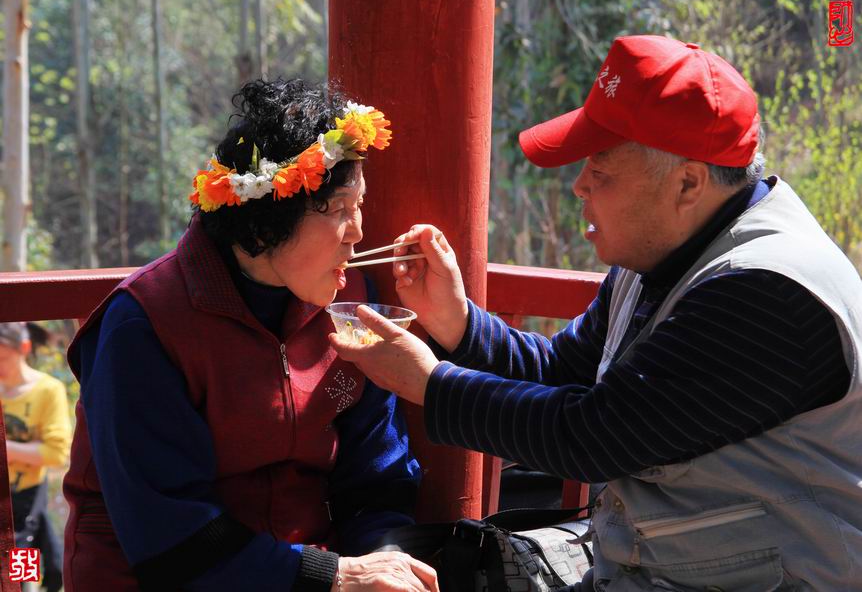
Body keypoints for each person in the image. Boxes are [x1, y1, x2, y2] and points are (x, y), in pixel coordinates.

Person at [331, 35, 862, 590]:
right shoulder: (664, 248)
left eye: (601, 172)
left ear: (687, 183)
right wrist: (458, 323)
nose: (580, 186)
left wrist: (430, 383)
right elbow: (567, 371)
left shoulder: (767, 291)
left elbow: (594, 434)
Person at [63, 78, 438, 592]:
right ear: (263, 226)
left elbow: (376, 482)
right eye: (340, 211)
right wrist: (338, 576)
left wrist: (384, 560)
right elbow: (169, 537)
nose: (358, 233)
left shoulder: (350, 306)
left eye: (361, 207)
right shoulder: (146, 323)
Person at [0, 321, 70, 592]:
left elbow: (55, 453)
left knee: (24, 557)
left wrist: (6, 449)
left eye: (4, 358)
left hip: (25, 499)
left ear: (24, 349)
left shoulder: (46, 390)